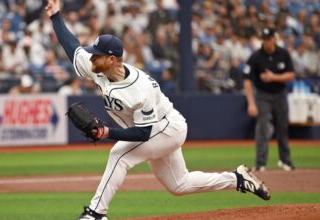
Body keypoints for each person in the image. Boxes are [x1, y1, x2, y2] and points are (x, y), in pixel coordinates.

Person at [45, 1, 270, 219]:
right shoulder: (98, 67)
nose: (92, 57)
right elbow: (73, 47)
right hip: (152, 130)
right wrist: (55, 15)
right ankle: (237, 179)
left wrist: (106, 132)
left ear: (112, 59)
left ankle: (95, 213)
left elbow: (144, 133)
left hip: (167, 128)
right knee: (179, 185)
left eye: (97, 54)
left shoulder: (140, 87)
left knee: (119, 155)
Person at [243, 27, 295, 172]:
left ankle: (285, 161)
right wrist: (251, 103)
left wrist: (274, 77)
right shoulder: (256, 56)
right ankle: (260, 163)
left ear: (274, 38)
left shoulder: (283, 54)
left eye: (268, 38)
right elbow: (247, 80)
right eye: (264, 39)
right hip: (262, 95)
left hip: (280, 94)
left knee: (282, 127)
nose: (266, 41)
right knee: (263, 128)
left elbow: (291, 75)